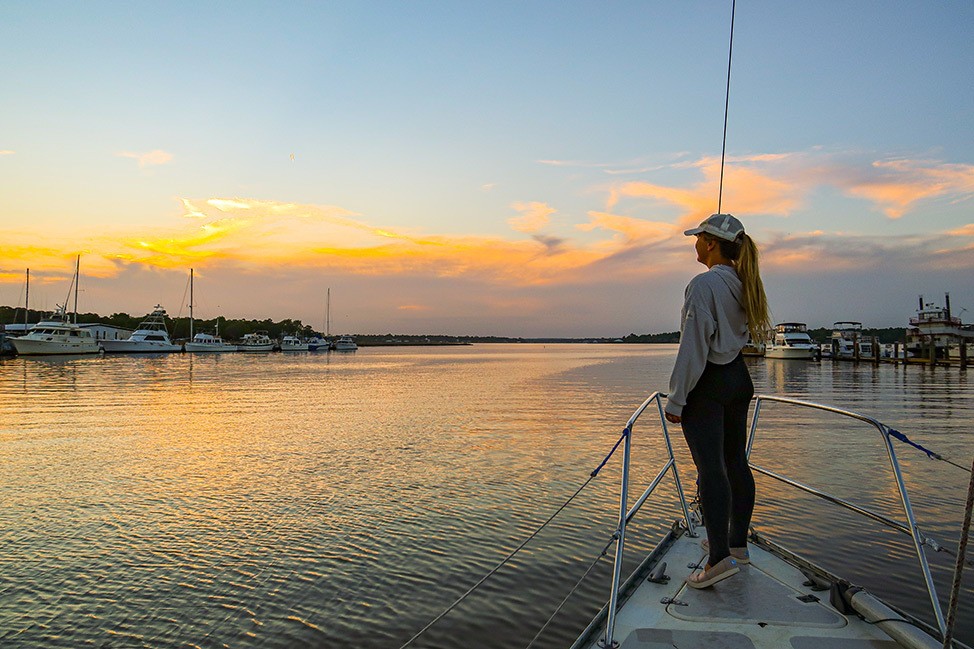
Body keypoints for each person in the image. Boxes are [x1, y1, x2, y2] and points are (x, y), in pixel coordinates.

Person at [664, 213, 771, 589]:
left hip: (709, 384)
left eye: (698, 238)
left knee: (710, 469)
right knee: (735, 463)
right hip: (738, 379)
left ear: (710, 244)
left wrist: (677, 399)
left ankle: (718, 560)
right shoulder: (744, 282)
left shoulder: (703, 284)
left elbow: (693, 345)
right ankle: (736, 545)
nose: (694, 243)